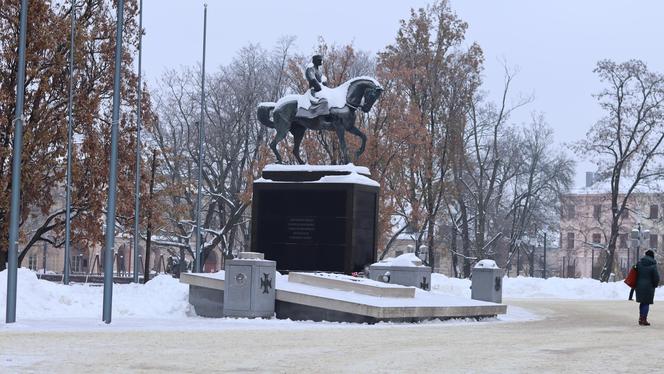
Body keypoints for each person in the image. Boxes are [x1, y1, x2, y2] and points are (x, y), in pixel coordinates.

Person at [635, 249, 660, 326]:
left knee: (642, 302)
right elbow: (656, 278)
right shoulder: (653, 266)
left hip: (639, 286)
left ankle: (641, 318)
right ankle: (643, 319)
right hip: (649, 287)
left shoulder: (639, 264)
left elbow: (634, 273)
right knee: (646, 303)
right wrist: (655, 284)